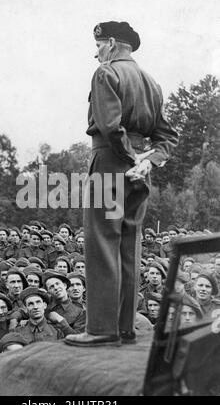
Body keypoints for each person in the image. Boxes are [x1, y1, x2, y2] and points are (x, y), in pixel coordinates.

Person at [65, 21, 178, 347]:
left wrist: (130, 160)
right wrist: (146, 162)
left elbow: (111, 127)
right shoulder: (152, 83)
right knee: (130, 244)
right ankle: (125, 328)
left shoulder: (105, 74)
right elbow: (167, 136)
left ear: (111, 43)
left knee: (102, 243)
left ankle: (101, 329)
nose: (96, 51)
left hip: (111, 164)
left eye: (99, 45)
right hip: (140, 171)